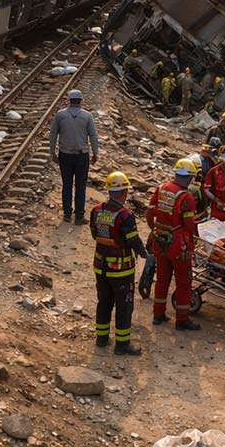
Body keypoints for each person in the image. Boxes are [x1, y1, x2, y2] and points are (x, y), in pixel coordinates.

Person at [91, 171, 148, 356]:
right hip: (121, 270)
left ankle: (101, 338)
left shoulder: (97, 210)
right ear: (123, 192)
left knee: (104, 301)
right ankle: (122, 344)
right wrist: (143, 253)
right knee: (124, 305)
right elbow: (132, 239)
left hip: (100, 266)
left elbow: (94, 234)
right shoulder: (125, 215)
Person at [147, 158, 201, 330]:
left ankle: (158, 314)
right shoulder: (186, 197)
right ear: (189, 177)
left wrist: (154, 229)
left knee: (162, 279)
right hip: (177, 244)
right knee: (184, 282)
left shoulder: (161, 188)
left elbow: (150, 212)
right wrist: (195, 238)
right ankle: (182, 319)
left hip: (160, 239)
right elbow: (189, 225)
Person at [49, 89, 98, 225]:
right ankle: (79, 217)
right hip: (82, 155)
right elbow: (93, 136)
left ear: (69, 100)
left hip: (65, 155)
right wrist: (95, 153)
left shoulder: (60, 115)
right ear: (81, 101)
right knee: (80, 187)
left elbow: (53, 133)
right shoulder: (87, 116)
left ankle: (67, 214)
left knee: (67, 185)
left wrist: (52, 152)